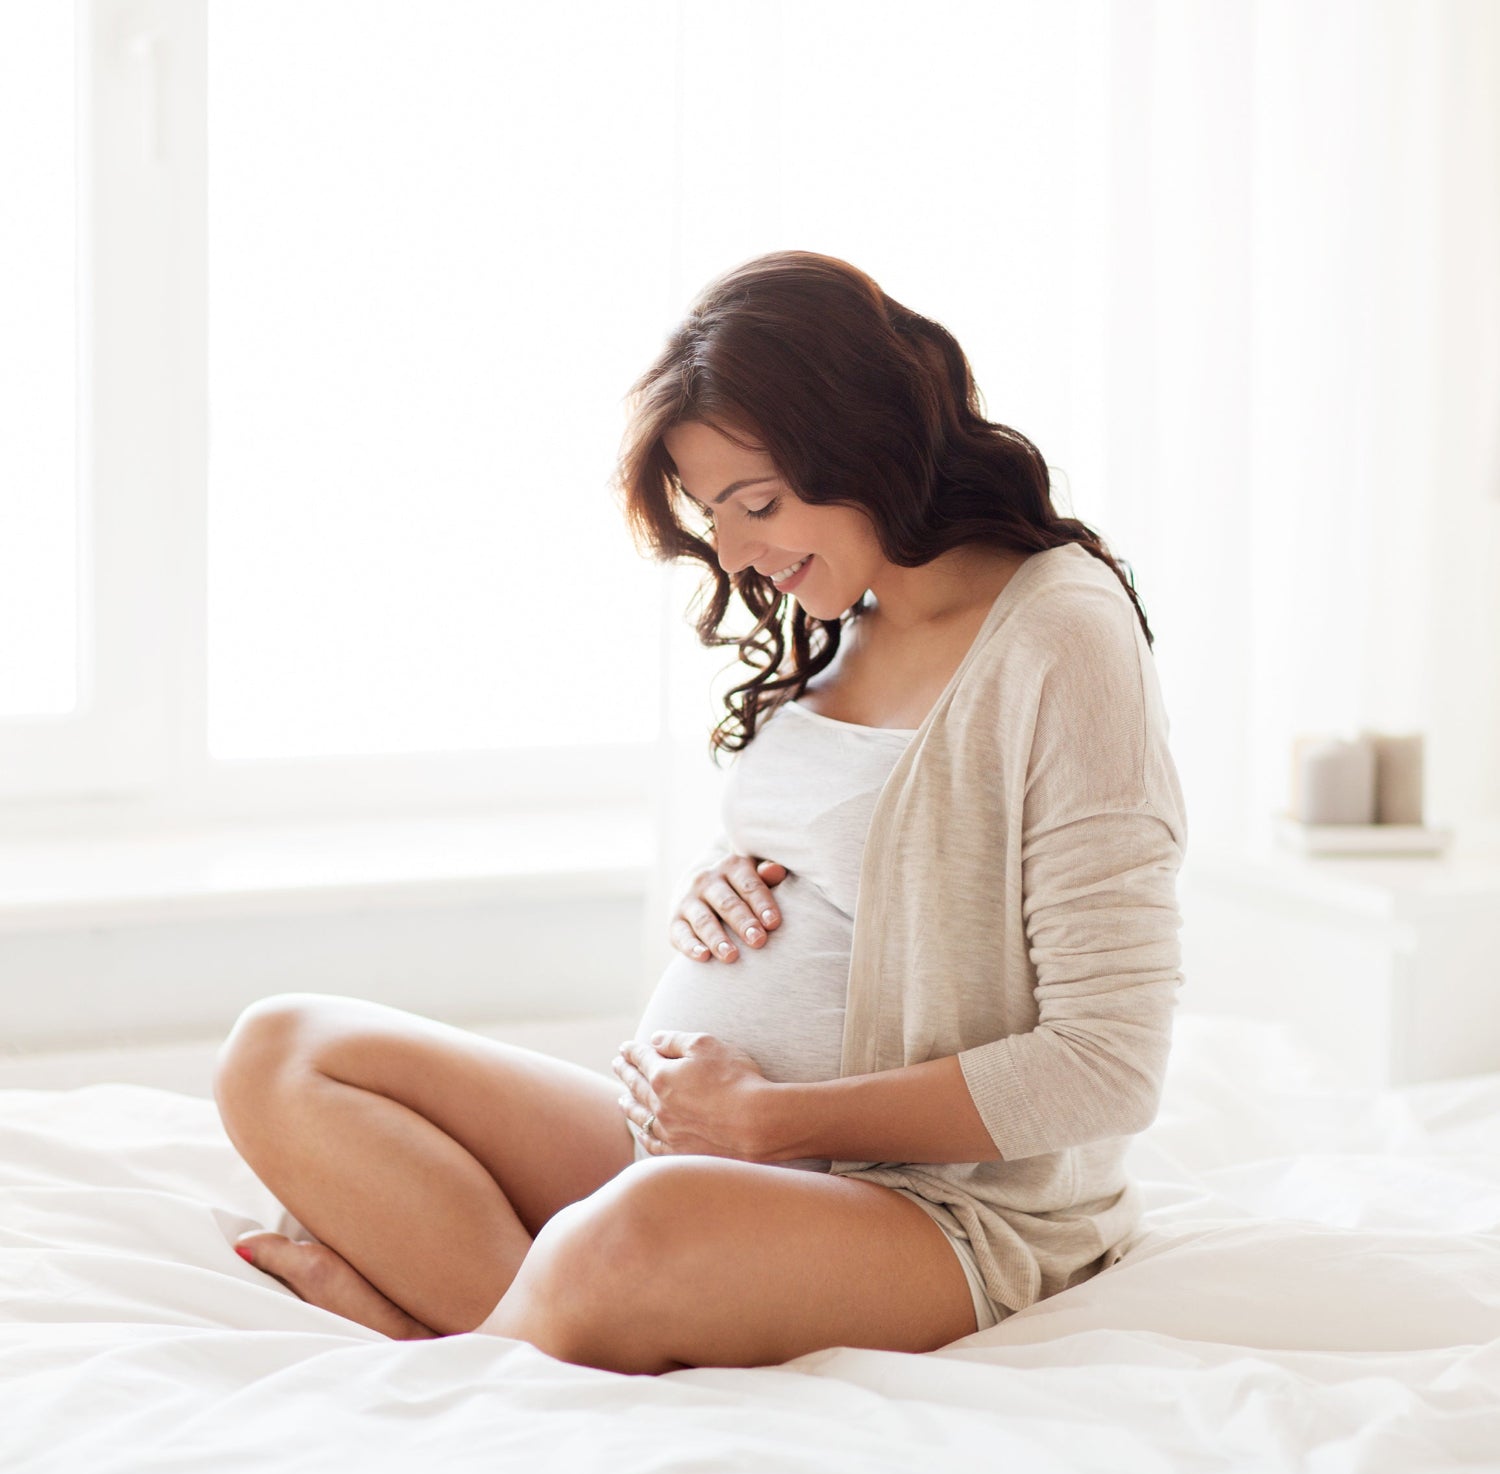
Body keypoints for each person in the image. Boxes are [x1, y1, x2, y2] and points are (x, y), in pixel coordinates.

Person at [213, 249, 1187, 1375]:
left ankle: (452, 1338)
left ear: (865, 439)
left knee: (630, 1236)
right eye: (713, 515)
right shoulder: (848, 616)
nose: (733, 554)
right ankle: (509, 1326)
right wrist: (731, 869)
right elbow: (867, 858)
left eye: (757, 504)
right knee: (282, 1050)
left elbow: (1109, 1064)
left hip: (930, 1206)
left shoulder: (1061, 633)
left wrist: (771, 1124)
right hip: (699, 1146)